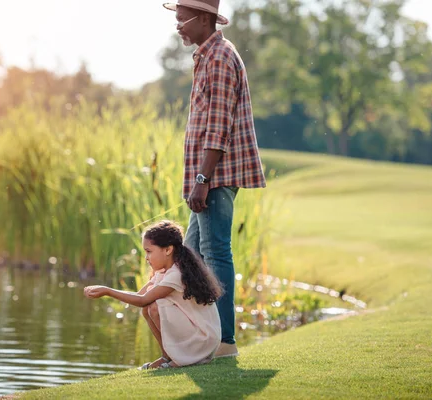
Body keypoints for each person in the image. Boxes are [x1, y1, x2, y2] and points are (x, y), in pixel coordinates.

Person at [162, 0, 267, 358]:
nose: (177, 27)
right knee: (188, 255)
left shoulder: (220, 58)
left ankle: (224, 344)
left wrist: (203, 178)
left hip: (216, 176)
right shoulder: (206, 56)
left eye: (181, 20)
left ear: (203, 19)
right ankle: (196, 343)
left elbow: (219, 127)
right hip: (207, 175)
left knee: (215, 253)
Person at [84, 220, 223, 369]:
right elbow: (139, 296)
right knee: (148, 308)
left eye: (149, 251)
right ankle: (167, 356)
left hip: (203, 340)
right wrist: (107, 290)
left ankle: (183, 358)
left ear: (168, 250)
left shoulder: (176, 274)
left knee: (155, 306)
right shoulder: (163, 272)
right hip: (198, 336)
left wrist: (108, 291)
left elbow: (142, 300)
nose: (146, 257)